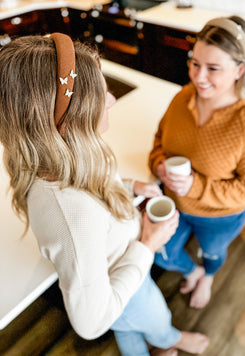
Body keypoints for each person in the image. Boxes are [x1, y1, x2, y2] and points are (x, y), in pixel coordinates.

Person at [0, 34, 209, 355]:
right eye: (102, 96)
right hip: (125, 286)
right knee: (153, 316)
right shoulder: (73, 216)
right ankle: (169, 339)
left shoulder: (66, 155)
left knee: (126, 331)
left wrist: (128, 187)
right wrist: (147, 245)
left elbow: (92, 186)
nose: (111, 100)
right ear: (70, 124)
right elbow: (93, 322)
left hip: (120, 273)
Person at [148, 16, 245, 309]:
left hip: (220, 216)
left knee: (213, 252)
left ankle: (207, 276)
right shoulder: (183, 97)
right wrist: (157, 165)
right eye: (195, 63)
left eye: (213, 68)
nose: (198, 76)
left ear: (238, 70)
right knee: (160, 253)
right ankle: (193, 272)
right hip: (175, 203)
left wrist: (196, 186)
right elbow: (159, 139)